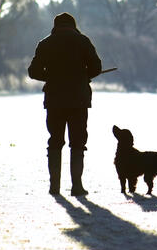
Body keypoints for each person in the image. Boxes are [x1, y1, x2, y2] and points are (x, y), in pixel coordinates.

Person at [28, 12, 102, 196]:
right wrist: (84, 76)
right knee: (77, 142)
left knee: (55, 141)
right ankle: (77, 186)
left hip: (54, 100)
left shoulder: (45, 43)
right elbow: (96, 67)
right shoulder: (83, 41)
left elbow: (33, 71)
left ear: (55, 26)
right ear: (73, 25)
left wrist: (50, 77)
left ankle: (54, 187)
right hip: (79, 100)